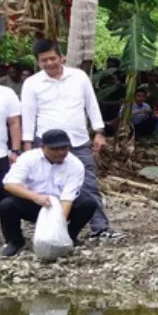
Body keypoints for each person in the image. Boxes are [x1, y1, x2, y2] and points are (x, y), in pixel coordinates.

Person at [20, 39, 114, 238]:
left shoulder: (79, 77)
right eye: (43, 60)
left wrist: (99, 131)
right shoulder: (32, 83)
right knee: (46, 185)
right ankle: (50, 229)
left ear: (61, 56)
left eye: (52, 58)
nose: (49, 63)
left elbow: (91, 104)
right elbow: (28, 115)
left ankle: (101, 228)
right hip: (46, 144)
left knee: (89, 184)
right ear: (37, 62)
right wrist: (28, 146)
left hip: (79, 141)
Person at [0, 131, 98, 257]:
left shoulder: (75, 165)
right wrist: (35, 197)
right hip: (34, 202)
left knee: (88, 203)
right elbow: (9, 184)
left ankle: (69, 236)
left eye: (64, 148)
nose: (60, 152)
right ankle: (14, 241)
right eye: (55, 149)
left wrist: (57, 227)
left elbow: (68, 198)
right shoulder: (28, 158)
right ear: (43, 147)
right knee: (7, 204)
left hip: (60, 205)